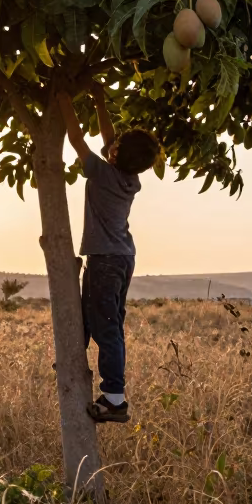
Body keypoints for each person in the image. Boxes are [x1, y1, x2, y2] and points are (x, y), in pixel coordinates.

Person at [57, 85, 161, 424]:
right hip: (120, 258)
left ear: (115, 156)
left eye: (115, 146)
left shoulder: (102, 173)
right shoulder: (130, 179)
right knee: (98, 315)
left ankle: (115, 399)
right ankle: (74, 356)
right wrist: (100, 102)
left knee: (108, 329)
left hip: (106, 259)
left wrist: (64, 100)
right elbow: (108, 138)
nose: (111, 144)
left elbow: (77, 140)